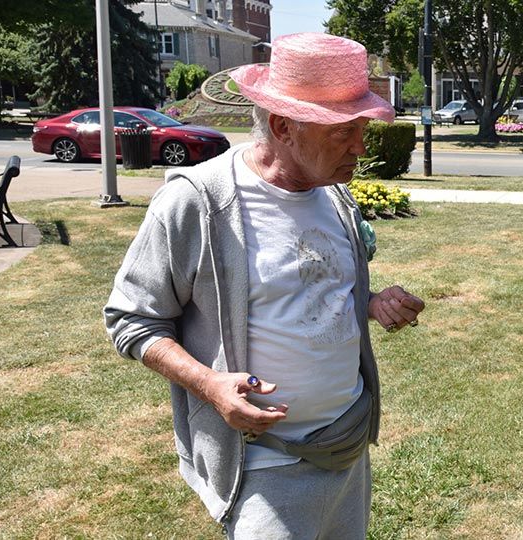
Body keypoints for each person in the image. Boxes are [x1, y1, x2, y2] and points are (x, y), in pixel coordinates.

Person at [104, 33, 424, 538]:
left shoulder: (334, 194)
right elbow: (131, 318)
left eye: (361, 129)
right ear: (282, 126)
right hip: (262, 465)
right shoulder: (199, 202)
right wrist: (210, 386)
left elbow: (312, 287)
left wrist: (370, 302)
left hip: (346, 447)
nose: (360, 147)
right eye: (344, 132)